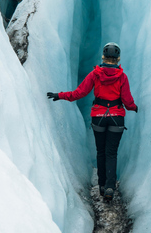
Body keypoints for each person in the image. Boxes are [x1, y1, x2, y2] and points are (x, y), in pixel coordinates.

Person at [47, 42, 138, 203]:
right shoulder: (122, 77)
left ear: (103, 57)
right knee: (111, 153)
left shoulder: (95, 75)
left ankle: (102, 186)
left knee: (101, 152)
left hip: (99, 117)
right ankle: (110, 187)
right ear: (118, 59)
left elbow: (78, 93)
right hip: (116, 118)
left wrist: (59, 95)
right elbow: (128, 101)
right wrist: (135, 108)